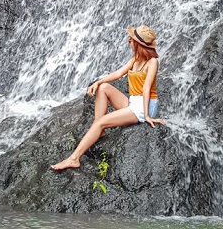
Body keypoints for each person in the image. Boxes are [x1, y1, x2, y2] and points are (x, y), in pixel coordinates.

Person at [50, 24, 165, 171]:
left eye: (131, 39)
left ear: (139, 43)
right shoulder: (135, 59)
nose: (129, 40)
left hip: (145, 105)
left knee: (101, 122)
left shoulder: (152, 62)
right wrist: (98, 82)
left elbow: (147, 87)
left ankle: (74, 159)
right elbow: (118, 74)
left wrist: (148, 115)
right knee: (103, 88)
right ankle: (100, 130)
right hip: (133, 102)